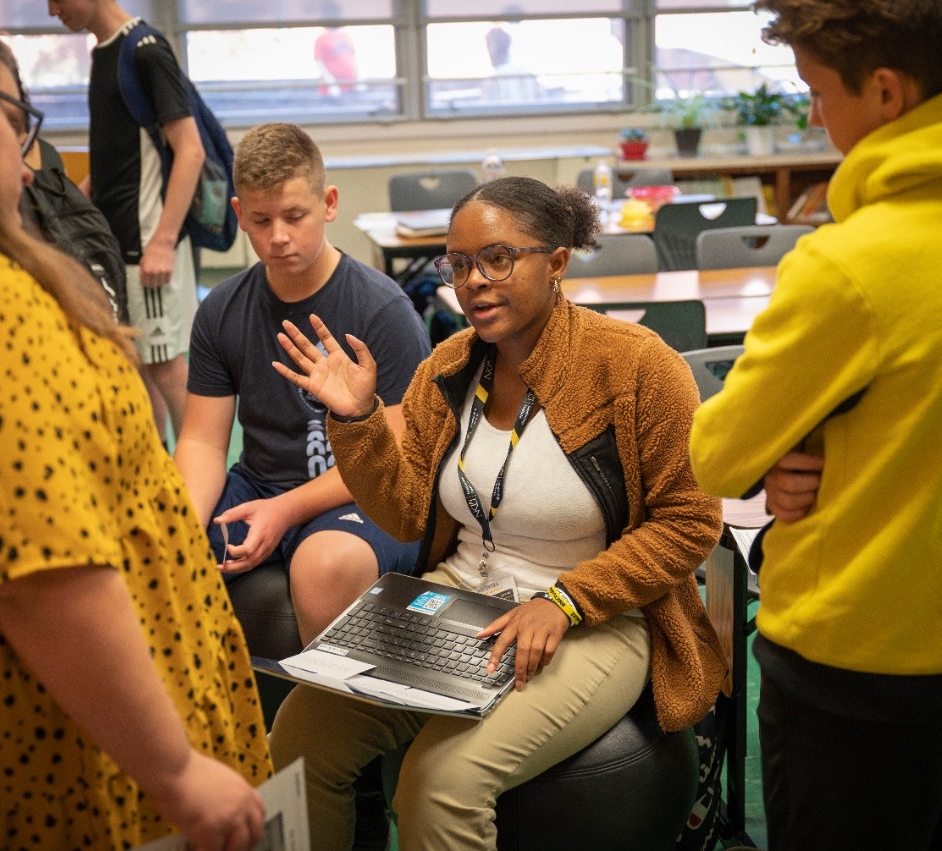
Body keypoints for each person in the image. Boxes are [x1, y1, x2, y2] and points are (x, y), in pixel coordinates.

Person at [0, 9, 271, 849]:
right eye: (18, 122)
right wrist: (175, 771)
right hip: (57, 757)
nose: (27, 156)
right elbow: (40, 571)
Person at [688, 2, 942, 849]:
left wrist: (777, 453)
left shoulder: (850, 264)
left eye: (816, 91)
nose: (812, 115)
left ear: (883, 92)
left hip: (862, 661)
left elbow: (719, 452)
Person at [268, 175, 727, 849]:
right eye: (457, 265)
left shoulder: (637, 368)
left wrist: (567, 600)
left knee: (438, 784)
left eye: (497, 258)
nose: (473, 281)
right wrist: (359, 418)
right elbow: (402, 513)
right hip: (463, 600)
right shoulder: (448, 367)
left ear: (558, 261)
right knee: (300, 734)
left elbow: (690, 521)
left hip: (596, 616)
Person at [173, 122, 430, 645]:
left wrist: (285, 510)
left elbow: (401, 454)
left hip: (366, 493)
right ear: (240, 215)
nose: (278, 237)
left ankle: (326, 725)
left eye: (295, 216)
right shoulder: (222, 310)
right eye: (261, 221)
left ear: (328, 204)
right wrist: (179, 529)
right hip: (261, 484)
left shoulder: (383, 310)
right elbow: (201, 441)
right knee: (156, 555)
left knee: (322, 568)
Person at [48, 0, 205, 446]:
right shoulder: (104, 52)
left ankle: (195, 483)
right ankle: (153, 473)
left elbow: (189, 150)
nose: (50, 9)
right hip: (116, 246)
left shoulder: (146, 49)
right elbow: (119, 151)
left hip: (148, 246)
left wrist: (162, 242)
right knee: (137, 366)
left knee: (165, 367)